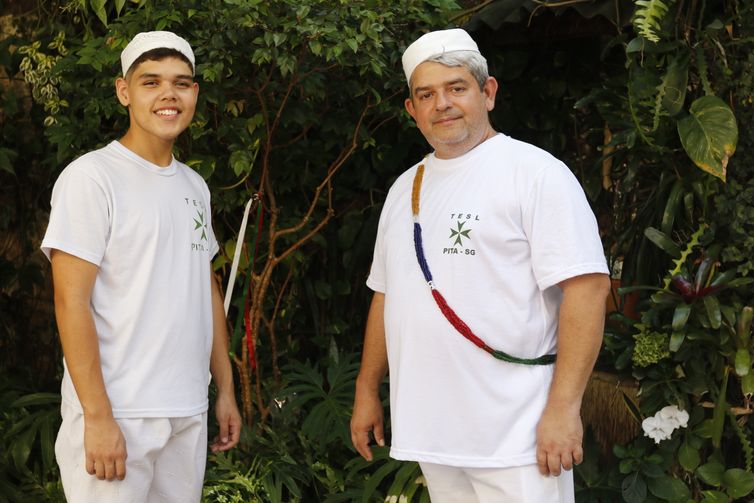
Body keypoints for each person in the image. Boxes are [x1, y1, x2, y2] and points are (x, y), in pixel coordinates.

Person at [350, 28, 610, 502]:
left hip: (518, 435)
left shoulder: (536, 175)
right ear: (412, 110)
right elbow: (387, 294)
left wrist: (564, 408)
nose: (441, 104)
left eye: (456, 88)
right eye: (425, 95)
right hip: (433, 430)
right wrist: (368, 388)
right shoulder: (403, 189)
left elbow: (588, 289)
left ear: (487, 93)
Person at [41, 31, 241, 502]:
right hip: (119, 414)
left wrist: (225, 391)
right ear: (124, 92)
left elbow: (204, 290)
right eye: (151, 82)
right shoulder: (91, 178)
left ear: (195, 93)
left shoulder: (195, 186)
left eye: (182, 83)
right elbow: (70, 302)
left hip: (185, 409)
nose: (169, 95)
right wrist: (98, 416)